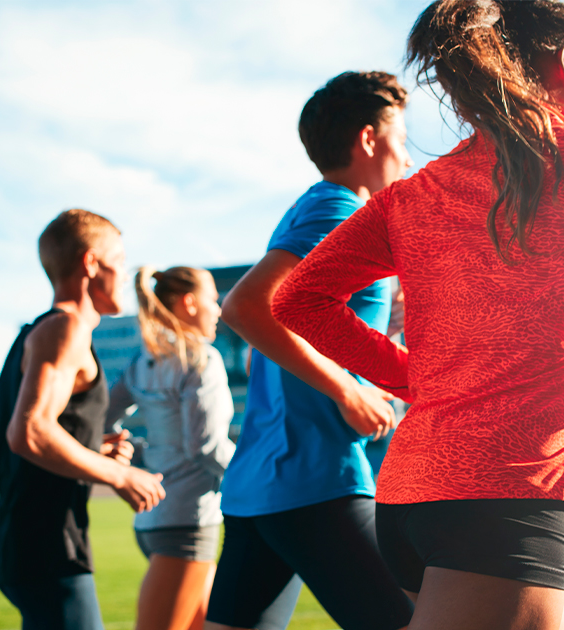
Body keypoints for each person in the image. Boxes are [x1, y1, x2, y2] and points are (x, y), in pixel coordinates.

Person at [271, 2, 564, 629]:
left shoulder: (411, 194)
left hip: (411, 494)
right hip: (498, 497)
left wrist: (412, 379)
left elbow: (297, 299)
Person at [205, 71, 416, 630]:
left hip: (264, 484)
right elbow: (246, 308)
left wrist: (378, 351)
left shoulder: (314, 207)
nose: (407, 153)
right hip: (315, 474)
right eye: (401, 135)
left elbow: (287, 335)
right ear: (369, 139)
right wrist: (348, 390)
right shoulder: (338, 209)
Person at [0, 208, 167, 630]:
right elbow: (29, 433)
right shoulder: (67, 330)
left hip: (19, 543)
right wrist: (121, 477)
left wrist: (88, 450)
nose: (123, 275)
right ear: (92, 263)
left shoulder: (28, 337)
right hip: (49, 546)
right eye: (119, 261)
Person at [104, 266, 240, 630]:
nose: (220, 309)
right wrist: (254, 471)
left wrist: (143, 452)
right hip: (188, 522)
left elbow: (101, 421)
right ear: (190, 303)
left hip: (152, 520)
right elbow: (206, 447)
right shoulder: (202, 359)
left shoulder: (142, 361)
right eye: (213, 299)